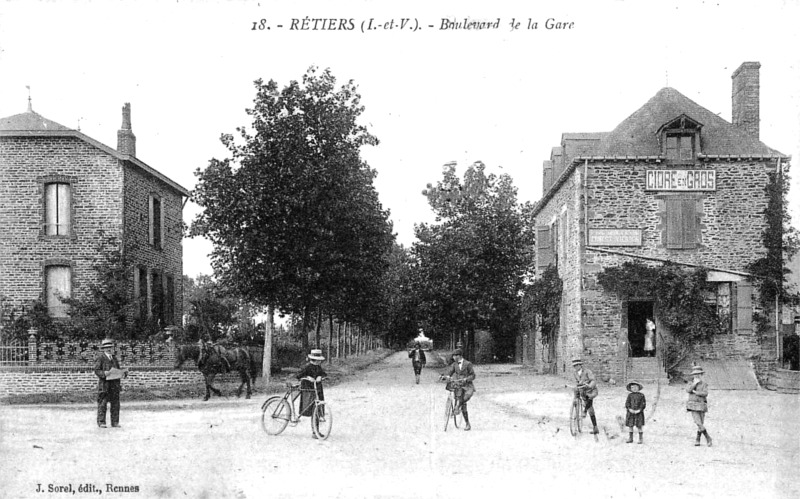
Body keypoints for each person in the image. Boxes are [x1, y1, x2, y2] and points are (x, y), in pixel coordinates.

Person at [94, 338, 128, 428]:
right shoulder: (100, 358)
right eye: (107, 347)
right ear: (103, 349)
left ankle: (115, 422)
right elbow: (97, 370)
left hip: (114, 385)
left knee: (115, 404)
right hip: (104, 385)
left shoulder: (114, 358)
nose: (109, 349)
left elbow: (117, 370)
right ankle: (101, 422)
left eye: (110, 347)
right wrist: (103, 373)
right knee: (103, 403)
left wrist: (123, 373)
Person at [440, 349, 475, 431]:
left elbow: (473, 375)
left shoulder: (468, 364)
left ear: (459, 356)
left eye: (454, 356)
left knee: (465, 398)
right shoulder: (454, 365)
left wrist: (466, 379)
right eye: (453, 356)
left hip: (467, 386)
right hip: (458, 386)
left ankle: (457, 407)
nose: (453, 357)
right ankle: (467, 424)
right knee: (463, 404)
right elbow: (449, 372)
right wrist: (445, 376)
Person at [296, 348, 327, 437]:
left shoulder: (318, 367)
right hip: (308, 390)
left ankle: (316, 431)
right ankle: (315, 431)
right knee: (313, 409)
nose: (319, 362)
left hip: (317, 389)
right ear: (314, 359)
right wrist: (307, 377)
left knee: (318, 408)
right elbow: (298, 376)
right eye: (318, 360)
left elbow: (324, 373)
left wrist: (320, 376)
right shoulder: (307, 367)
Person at [686, 365, 712, 447]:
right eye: (695, 374)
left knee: (701, 423)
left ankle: (698, 439)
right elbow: (688, 390)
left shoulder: (704, 384)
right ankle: (708, 437)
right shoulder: (690, 383)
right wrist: (695, 384)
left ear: (701, 375)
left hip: (701, 405)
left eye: (698, 374)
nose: (696, 375)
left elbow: (705, 393)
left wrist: (696, 392)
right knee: (698, 422)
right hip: (693, 405)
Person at [572, 359, 599, 434]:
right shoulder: (575, 373)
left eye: (577, 365)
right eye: (575, 366)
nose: (576, 367)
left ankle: (585, 412)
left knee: (590, 406)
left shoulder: (587, 371)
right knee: (577, 391)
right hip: (583, 391)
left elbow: (593, 380)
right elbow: (577, 382)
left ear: (581, 365)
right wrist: (577, 386)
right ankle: (577, 403)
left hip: (591, 390)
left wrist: (589, 386)